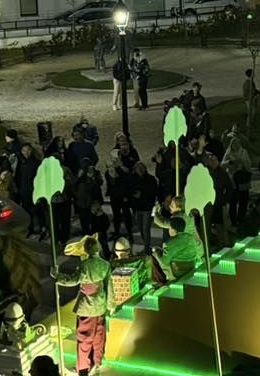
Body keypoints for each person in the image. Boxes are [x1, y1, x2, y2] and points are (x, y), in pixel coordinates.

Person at [53, 236, 114, 376]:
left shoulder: (85, 265)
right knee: (99, 337)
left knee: (84, 339)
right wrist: (111, 305)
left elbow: (73, 280)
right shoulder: (105, 265)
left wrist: (58, 276)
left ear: (86, 249)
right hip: (101, 305)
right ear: (98, 248)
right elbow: (109, 287)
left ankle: (83, 368)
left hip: (87, 307)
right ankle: (97, 363)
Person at [153, 216, 202, 282]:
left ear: (173, 229)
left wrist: (155, 252)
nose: (169, 231)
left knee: (155, 255)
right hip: (191, 267)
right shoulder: (190, 237)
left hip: (178, 272)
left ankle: (164, 281)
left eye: (169, 228)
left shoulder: (169, 243)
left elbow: (164, 262)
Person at [129, 161, 158, 254]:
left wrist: (141, 195)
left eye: (142, 168)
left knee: (145, 229)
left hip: (146, 208)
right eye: (138, 168)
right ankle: (146, 246)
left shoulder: (150, 179)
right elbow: (130, 190)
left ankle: (146, 248)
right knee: (140, 228)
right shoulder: (134, 179)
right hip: (137, 208)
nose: (140, 170)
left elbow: (153, 193)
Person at [222, 138, 252, 224]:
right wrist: (229, 162)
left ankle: (241, 218)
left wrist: (241, 162)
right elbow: (222, 164)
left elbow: (248, 164)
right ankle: (233, 220)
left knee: (244, 199)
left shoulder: (244, 152)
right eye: (233, 144)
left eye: (237, 143)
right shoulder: (228, 153)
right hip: (232, 180)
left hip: (242, 179)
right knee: (233, 200)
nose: (235, 145)